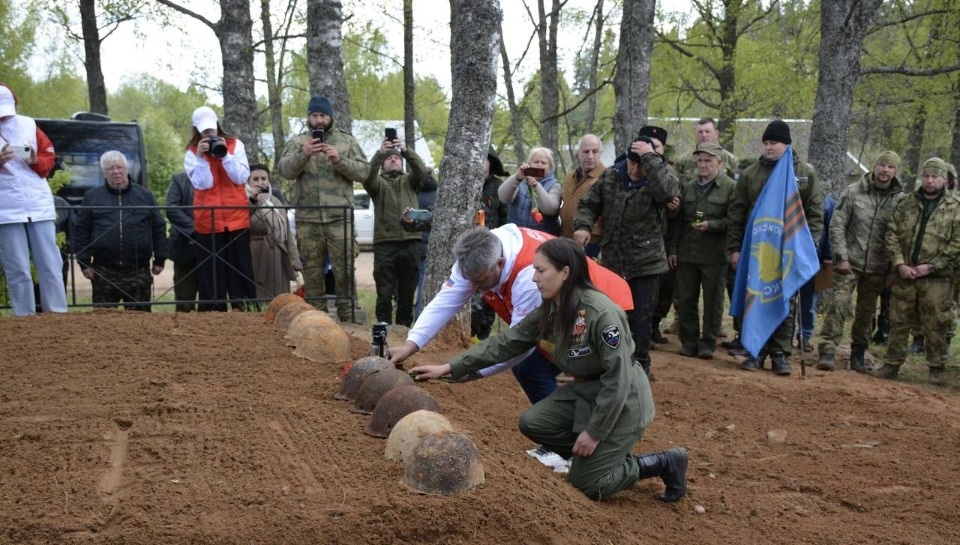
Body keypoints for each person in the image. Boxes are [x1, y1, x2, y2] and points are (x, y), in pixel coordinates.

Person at [409, 238, 687, 502]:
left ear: (565, 272)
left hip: (623, 400)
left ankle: (658, 463)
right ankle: (596, 461)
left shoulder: (601, 313)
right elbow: (506, 343)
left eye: (541, 271)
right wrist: (449, 367)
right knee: (533, 422)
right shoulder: (552, 309)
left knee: (587, 485)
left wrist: (594, 433)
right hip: (587, 391)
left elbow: (618, 378)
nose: (534, 278)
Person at [389, 225, 633, 405]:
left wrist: (473, 371)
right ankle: (561, 431)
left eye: (481, 281)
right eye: (471, 281)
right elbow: (445, 301)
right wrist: (411, 344)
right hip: (562, 310)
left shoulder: (530, 278)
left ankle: (576, 438)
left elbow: (518, 344)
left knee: (564, 368)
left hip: (602, 305)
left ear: (500, 263)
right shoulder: (475, 255)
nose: (477, 288)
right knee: (533, 369)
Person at [573, 129, 682, 379]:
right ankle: (605, 362)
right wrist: (583, 226)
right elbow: (589, 203)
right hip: (613, 261)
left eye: (640, 164)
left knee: (641, 320)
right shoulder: (612, 176)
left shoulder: (660, 177)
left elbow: (669, 193)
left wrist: (651, 159)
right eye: (632, 163)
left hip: (646, 262)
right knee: (609, 314)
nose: (635, 169)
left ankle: (640, 366)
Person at [727, 120, 824, 375]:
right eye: (767, 143)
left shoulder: (804, 173)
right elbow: (737, 212)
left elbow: (814, 213)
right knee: (757, 294)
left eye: (775, 143)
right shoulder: (750, 173)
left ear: (787, 144)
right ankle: (755, 349)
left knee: (785, 297)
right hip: (757, 247)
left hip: (790, 248)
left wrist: (809, 246)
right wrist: (735, 248)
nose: (769, 148)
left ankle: (780, 353)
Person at [277, 95, 369, 322]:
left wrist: (340, 160)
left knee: (344, 271)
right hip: (308, 219)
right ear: (309, 117)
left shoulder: (346, 141)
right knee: (312, 273)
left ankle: (348, 321)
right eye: (315, 115)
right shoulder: (299, 142)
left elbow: (365, 172)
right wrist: (303, 154)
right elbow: (285, 171)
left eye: (323, 115)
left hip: (340, 218)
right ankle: (316, 322)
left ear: (330, 117)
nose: (319, 120)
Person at [873, 158, 960, 386]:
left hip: (937, 278)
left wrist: (933, 266)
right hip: (906, 274)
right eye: (927, 176)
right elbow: (891, 233)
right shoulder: (906, 203)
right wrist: (900, 263)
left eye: (935, 177)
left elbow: (957, 243)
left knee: (936, 322)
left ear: (944, 179)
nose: (930, 181)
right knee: (898, 318)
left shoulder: (955, 207)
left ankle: (936, 368)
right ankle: (891, 363)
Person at [817, 151, 904, 372]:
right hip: (849, 263)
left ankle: (858, 353)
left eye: (890, 167)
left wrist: (894, 268)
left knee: (866, 312)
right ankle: (828, 348)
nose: (885, 170)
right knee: (838, 304)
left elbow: (902, 235)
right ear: (874, 168)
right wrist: (841, 257)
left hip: (878, 267)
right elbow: (837, 226)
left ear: (895, 172)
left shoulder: (900, 200)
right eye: (882, 165)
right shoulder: (853, 192)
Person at [0, 83, 68, 316]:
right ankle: (23, 319)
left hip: (38, 205)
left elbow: (49, 159)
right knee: (18, 268)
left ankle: (58, 314)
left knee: (51, 264)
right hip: (6, 210)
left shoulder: (28, 124)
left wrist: (34, 160)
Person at [73, 151, 167, 310]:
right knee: (104, 323)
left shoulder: (145, 196)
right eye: (110, 168)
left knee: (140, 322)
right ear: (104, 171)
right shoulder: (92, 197)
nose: (116, 172)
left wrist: (160, 259)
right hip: (104, 271)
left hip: (138, 270)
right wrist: (83, 262)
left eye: (119, 167)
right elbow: (81, 230)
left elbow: (158, 227)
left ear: (126, 168)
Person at [184, 105, 256, 312]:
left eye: (211, 128)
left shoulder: (235, 145)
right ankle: (212, 318)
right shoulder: (191, 153)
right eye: (204, 131)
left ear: (217, 124)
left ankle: (246, 312)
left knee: (241, 272)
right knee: (211, 276)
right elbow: (203, 184)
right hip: (209, 223)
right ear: (197, 130)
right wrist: (201, 159)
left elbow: (241, 178)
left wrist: (225, 156)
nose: (209, 134)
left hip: (236, 220)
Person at [668, 142, 735, 359]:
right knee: (686, 299)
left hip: (715, 254)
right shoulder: (688, 187)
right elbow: (678, 222)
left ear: (719, 162)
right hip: (688, 252)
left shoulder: (729, 187)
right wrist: (673, 249)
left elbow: (734, 220)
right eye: (700, 161)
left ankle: (708, 343)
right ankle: (689, 342)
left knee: (713, 301)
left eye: (708, 161)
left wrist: (712, 225)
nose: (703, 165)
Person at [362, 133, 426, 326]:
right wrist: (379, 154)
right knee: (384, 294)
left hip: (411, 242)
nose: (393, 158)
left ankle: (404, 332)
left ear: (402, 162)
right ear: (383, 163)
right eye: (389, 157)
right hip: (385, 245)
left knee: (407, 294)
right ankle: (383, 331)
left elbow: (421, 170)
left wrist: (406, 150)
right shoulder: (377, 184)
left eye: (396, 157)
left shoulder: (411, 181)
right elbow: (367, 176)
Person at [246, 164, 302, 300]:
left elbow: (286, 232)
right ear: (248, 182)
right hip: (254, 254)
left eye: (264, 178)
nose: (260, 182)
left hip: (277, 253)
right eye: (256, 179)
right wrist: (253, 201)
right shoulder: (244, 200)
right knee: (257, 294)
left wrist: (295, 261)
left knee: (278, 293)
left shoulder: (275, 201)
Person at [472, 150, 511, 340]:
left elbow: (506, 218)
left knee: (488, 296)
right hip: (467, 249)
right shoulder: (461, 185)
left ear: (491, 163)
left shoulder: (498, 187)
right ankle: (468, 334)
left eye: (485, 160)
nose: (481, 164)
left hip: (492, 249)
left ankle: (483, 337)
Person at [795, 194, 834, 353]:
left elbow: (830, 229)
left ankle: (804, 335)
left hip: (814, 258)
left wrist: (828, 255)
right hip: (789, 257)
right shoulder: (786, 193)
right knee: (786, 301)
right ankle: (782, 337)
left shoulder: (827, 201)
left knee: (808, 301)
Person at [499, 147, 562, 236]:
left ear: (550, 167)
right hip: (517, 234)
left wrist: (537, 186)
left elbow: (551, 209)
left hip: (543, 236)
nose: (539, 165)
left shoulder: (554, 185)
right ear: (529, 163)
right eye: (536, 162)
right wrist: (516, 178)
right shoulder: (519, 179)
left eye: (544, 163)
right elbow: (503, 198)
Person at [559, 134, 605, 257]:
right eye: (586, 151)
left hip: (592, 244)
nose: (590, 156)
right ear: (578, 153)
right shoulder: (569, 177)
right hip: (567, 241)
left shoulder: (607, 178)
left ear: (600, 153)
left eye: (595, 152)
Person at [165, 171, 199, 312]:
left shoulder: (220, 175)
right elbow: (171, 208)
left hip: (215, 245)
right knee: (184, 302)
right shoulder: (179, 179)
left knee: (212, 301)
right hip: (185, 246)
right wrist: (197, 230)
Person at [674, 117, 740, 180]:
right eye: (700, 132)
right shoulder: (683, 161)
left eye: (707, 131)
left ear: (716, 134)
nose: (704, 135)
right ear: (696, 134)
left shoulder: (730, 160)